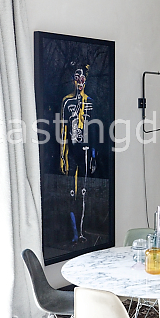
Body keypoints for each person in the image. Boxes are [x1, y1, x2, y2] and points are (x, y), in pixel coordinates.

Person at [59, 63, 97, 243]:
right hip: (71, 151)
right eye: (77, 78)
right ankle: (73, 233)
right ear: (73, 80)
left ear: (85, 80)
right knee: (71, 192)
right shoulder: (67, 102)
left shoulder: (90, 102)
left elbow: (95, 131)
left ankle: (81, 232)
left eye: (82, 79)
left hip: (86, 151)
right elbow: (63, 129)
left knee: (83, 191)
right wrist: (62, 155)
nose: (79, 82)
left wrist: (94, 156)